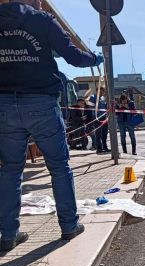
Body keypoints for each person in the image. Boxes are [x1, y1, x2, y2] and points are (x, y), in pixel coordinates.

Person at [0, 0, 103, 251]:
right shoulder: (43, 20)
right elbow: (73, 56)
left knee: (10, 170)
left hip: (3, 105)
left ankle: (8, 235)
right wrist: (95, 57)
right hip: (41, 103)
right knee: (59, 166)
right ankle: (69, 226)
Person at [90, 87, 110, 154]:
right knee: (98, 134)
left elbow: (105, 107)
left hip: (104, 117)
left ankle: (105, 147)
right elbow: (91, 106)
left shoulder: (103, 98)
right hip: (97, 118)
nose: (102, 93)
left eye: (103, 92)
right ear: (97, 91)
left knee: (105, 133)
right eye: (101, 91)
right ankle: (99, 148)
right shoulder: (92, 97)